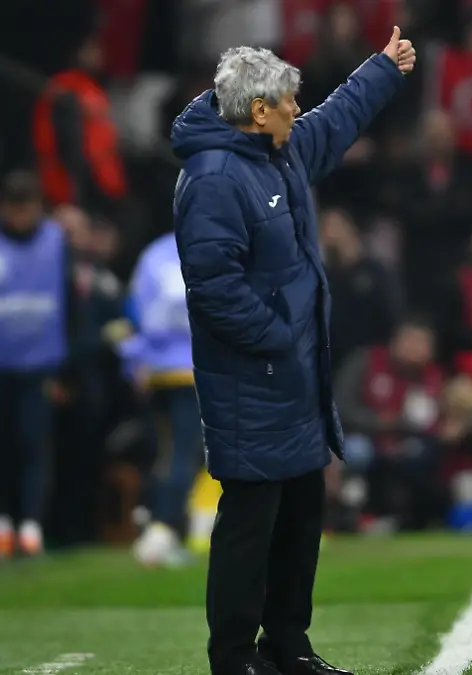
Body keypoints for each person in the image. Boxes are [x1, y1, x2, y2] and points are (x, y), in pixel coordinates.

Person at [170, 29, 416, 675]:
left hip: (294, 377)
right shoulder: (216, 176)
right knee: (250, 523)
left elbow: (335, 122)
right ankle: (233, 657)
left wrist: (382, 69)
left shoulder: (273, 152)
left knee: (302, 515)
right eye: (288, 101)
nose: (297, 110)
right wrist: (281, 334)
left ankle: (288, 645)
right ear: (258, 111)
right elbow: (214, 287)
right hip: (254, 378)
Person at [0, 172, 81, 559]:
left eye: (25, 207)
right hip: (2, 362)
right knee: (5, 447)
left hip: (42, 362)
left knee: (35, 445)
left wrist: (68, 368)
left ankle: (31, 525)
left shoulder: (55, 241)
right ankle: (3, 522)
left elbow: (72, 304)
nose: (19, 217)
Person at [120, 232, 202, 567]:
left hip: (155, 371)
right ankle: (162, 531)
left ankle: (157, 525)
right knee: (184, 453)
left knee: (165, 453)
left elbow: (133, 311)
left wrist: (133, 361)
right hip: (194, 368)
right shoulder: (214, 245)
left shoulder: (152, 254)